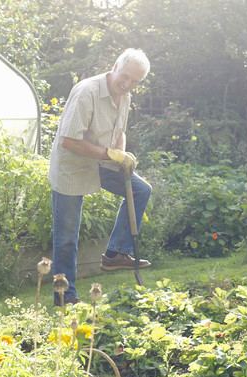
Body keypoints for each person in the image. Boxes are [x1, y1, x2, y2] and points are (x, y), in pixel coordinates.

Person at [48, 48, 152, 305]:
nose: (127, 85)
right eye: (125, 77)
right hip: (71, 167)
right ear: (115, 66)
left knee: (141, 190)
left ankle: (116, 254)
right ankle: (65, 296)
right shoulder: (88, 92)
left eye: (134, 82)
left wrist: (121, 154)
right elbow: (69, 141)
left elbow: (119, 131)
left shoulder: (124, 96)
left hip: (101, 162)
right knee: (67, 236)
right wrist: (112, 154)